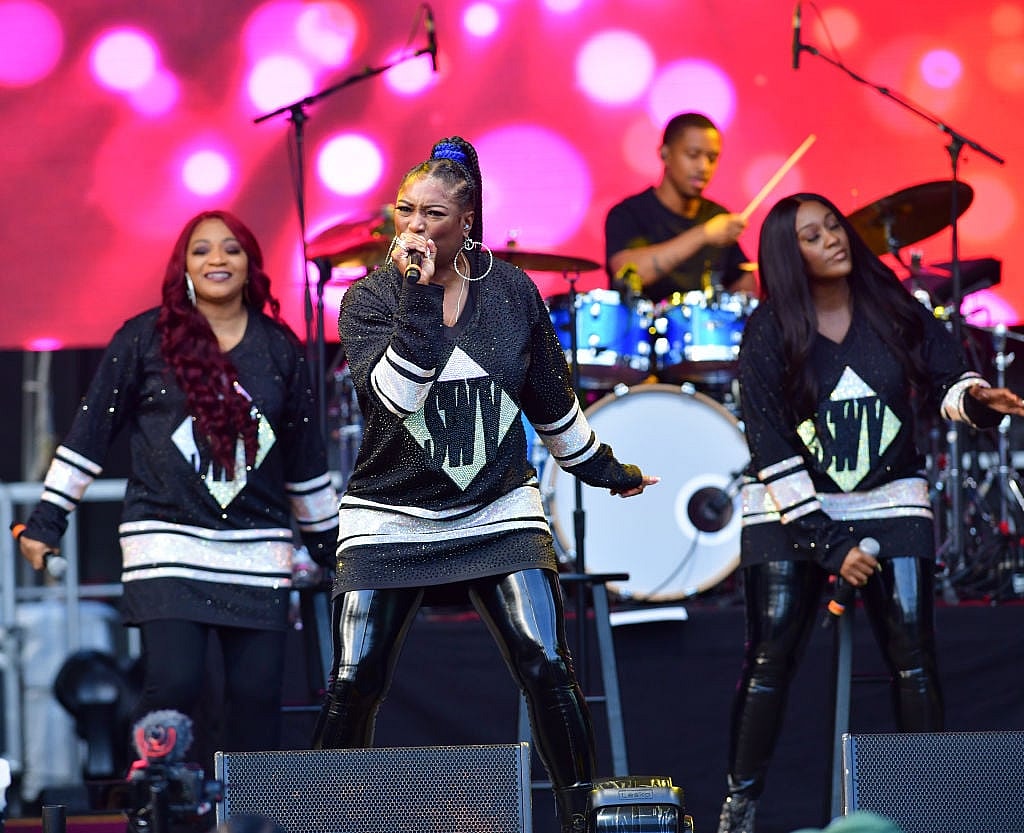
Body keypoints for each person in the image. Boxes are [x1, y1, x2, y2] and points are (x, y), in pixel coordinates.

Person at [310, 136, 658, 833]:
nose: (414, 226)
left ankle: (581, 819)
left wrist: (607, 469)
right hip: (390, 515)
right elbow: (395, 401)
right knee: (357, 681)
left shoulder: (513, 292)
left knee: (546, 662)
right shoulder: (370, 299)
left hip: (497, 505)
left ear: (467, 222)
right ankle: (327, 821)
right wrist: (417, 294)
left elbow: (553, 405)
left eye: (433, 214)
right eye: (405, 210)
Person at [715, 192, 1024, 833]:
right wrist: (828, 543)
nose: (832, 239)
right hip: (792, 504)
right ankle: (740, 805)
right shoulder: (769, 330)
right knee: (771, 657)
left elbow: (947, 382)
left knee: (913, 656)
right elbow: (769, 446)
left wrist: (978, 402)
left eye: (834, 226)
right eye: (811, 235)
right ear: (785, 254)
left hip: (890, 499)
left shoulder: (892, 309)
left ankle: (928, 806)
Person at [16, 209, 339, 772]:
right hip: (165, 541)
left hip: (257, 548)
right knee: (176, 684)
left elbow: (306, 460)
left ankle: (249, 818)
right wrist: (47, 521)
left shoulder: (279, 349)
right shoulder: (144, 338)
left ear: (251, 264)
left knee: (259, 701)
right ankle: (159, 808)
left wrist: (334, 550)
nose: (217, 259)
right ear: (183, 267)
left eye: (231, 249)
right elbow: (90, 436)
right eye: (201, 250)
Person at [605, 111, 754, 304]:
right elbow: (626, 275)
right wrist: (705, 234)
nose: (703, 167)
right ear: (665, 154)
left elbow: (745, 288)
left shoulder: (717, 216)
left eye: (712, 158)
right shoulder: (628, 214)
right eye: (693, 155)